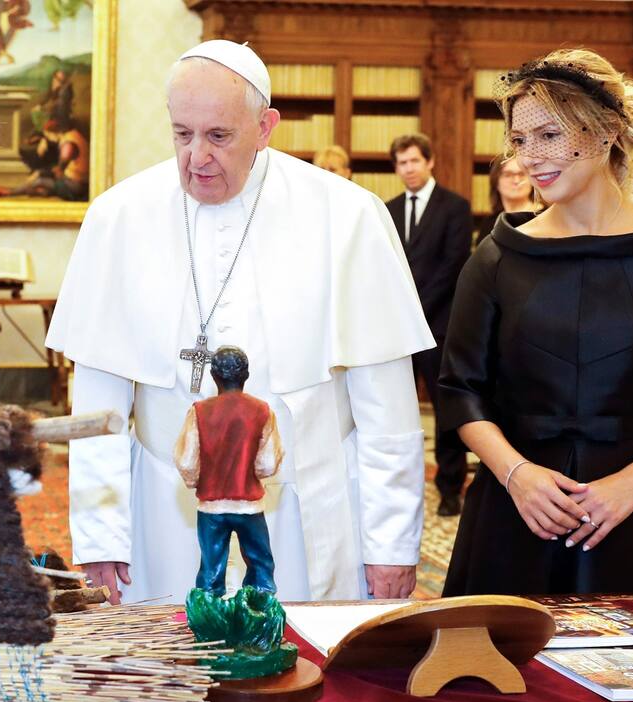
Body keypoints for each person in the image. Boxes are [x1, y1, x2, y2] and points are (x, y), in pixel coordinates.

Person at [47, 40, 433, 609]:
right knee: (171, 656)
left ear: (265, 127)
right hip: (164, 516)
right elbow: (98, 402)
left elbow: (386, 407)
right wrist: (101, 534)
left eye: (219, 136)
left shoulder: (347, 215)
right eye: (182, 134)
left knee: (301, 655)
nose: (196, 157)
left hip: (304, 511)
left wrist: (392, 544)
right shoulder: (118, 217)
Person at [439, 48, 633, 598]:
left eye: (549, 135)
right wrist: (518, 476)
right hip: (514, 514)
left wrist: (629, 487)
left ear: (607, 131)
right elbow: (461, 390)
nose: (530, 158)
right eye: (519, 139)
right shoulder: (496, 256)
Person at [385, 133, 473, 517]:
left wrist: (414, 310)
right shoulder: (387, 210)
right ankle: (399, 487)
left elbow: (454, 265)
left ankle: (450, 488)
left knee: (445, 410)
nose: (408, 169)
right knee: (395, 411)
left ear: (430, 161)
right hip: (397, 332)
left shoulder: (455, 207)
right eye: (402, 163)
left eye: (414, 161)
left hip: (439, 327)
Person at [175, 346, 283, 596]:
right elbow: (268, 463)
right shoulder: (262, 410)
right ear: (246, 375)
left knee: (211, 567)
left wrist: (196, 481)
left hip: (211, 507)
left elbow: (187, 462)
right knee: (260, 564)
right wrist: (250, 473)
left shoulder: (199, 411)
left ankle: (209, 609)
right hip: (249, 506)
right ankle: (259, 607)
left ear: (214, 376)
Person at [475, 155, 537, 245]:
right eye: (508, 175)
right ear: (496, 181)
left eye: (522, 174)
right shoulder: (489, 222)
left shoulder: (545, 217)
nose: (516, 181)